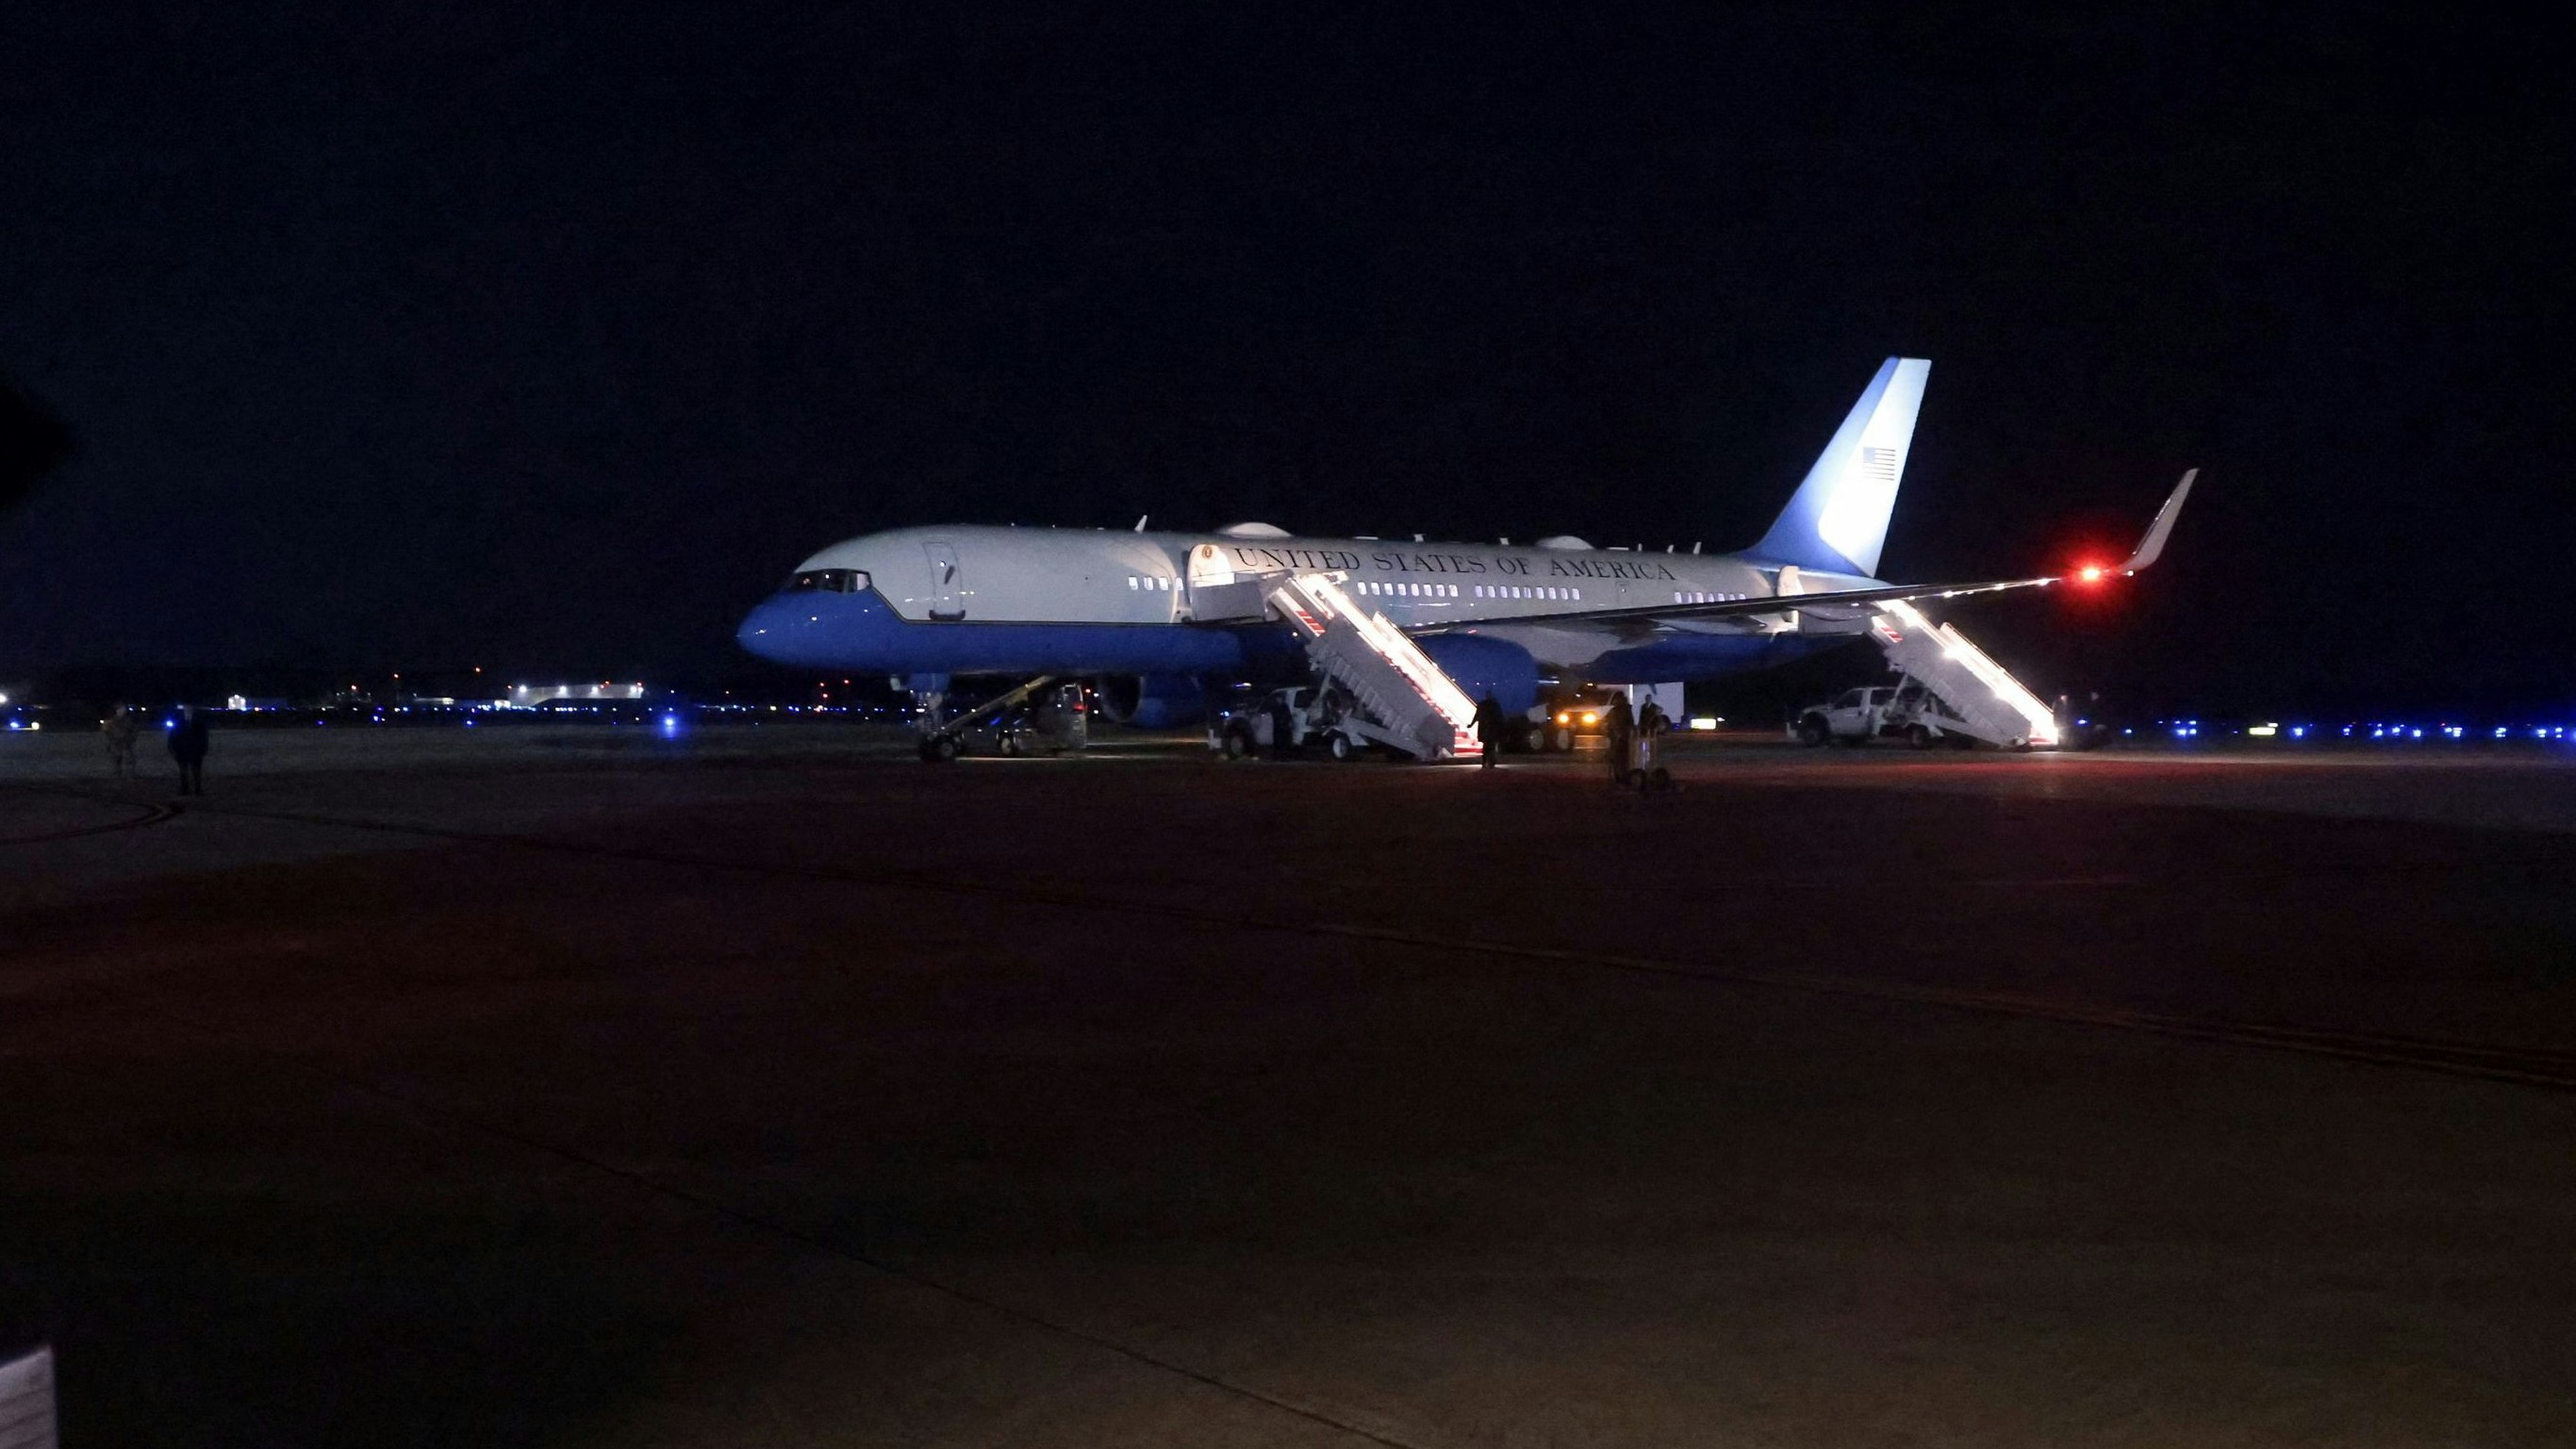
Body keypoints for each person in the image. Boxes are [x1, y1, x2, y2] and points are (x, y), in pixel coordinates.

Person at [169, 704, 210, 796]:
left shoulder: (198, 721)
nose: (188, 710)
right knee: (184, 772)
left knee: (196, 772)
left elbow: (204, 736)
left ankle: (197, 789)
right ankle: (185, 789)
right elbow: (172, 736)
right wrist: (172, 748)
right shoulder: (179, 720)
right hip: (182, 750)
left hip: (195, 750)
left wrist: (204, 748)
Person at [101, 701, 139, 782]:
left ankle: (130, 776)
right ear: (117, 710)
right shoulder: (111, 721)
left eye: (124, 709)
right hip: (115, 743)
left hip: (126, 743)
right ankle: (116, 776)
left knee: (129, 760)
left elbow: (134, 730)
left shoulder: (128, 720)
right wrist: (111, 740)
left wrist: (131, 739)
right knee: (116, 761)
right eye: (121, 709)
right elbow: (106, 731)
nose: (123, 710)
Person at [1604, 693, 1636, 783]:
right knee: (1623, 759)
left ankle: (1618, 776)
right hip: (1623, 738)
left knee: (1618, 759)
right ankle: (1621, 776)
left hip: (1619, 738)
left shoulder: (1616, 711)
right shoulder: (1625, 710)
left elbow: (1609, 724)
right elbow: (1630, 724)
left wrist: (1612, 733)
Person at [1471, 690, 1506, 769]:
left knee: (1486, 747)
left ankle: (1484, 762)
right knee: (1491, 746)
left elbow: (1477, 716)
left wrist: (1471, 724)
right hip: (1492, 729)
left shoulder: (1483, 705)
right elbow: (1500, 717)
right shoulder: (1495, 705)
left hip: (1485, 729)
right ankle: (1490, 762)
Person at [1636, 697, 1669, 772]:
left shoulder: (1654, 707)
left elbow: (1658, 723)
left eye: (1648, 698)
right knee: (1644, 742)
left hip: (1651, 729)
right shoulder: (1643, 706)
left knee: (1652, 744)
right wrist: (1640, 725)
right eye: (1646, 698)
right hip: (1644, 728)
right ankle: (1646, 756)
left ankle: (1651, 758)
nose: (1647, 699)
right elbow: (1641, 717)